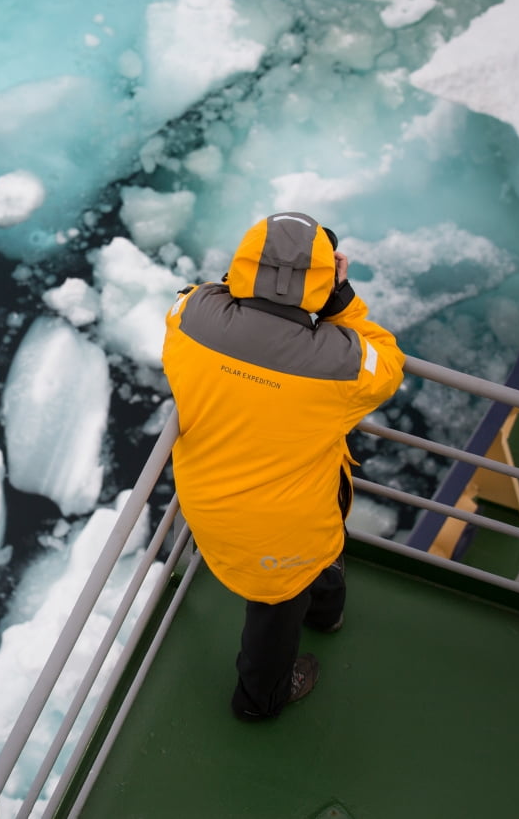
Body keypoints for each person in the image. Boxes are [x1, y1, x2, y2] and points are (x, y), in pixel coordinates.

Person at [161, 211, 404, 720]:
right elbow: (386, 363)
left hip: (205, 502)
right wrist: (339, 300)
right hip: (282, 527)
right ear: (324, 277)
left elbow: (193, 296)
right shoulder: (340, 362)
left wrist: (247, 286)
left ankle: (324, 613)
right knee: (276, 607)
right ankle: (260, 698)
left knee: (309, 551)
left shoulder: (190, 320)